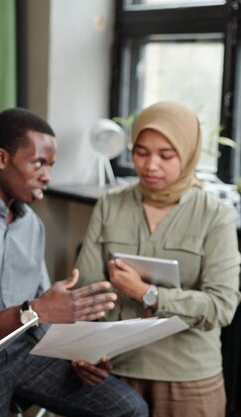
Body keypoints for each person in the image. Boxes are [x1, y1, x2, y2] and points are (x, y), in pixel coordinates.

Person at [0, 107, 149, 417]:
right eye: (38, 163)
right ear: (1, 158)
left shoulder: (32, 225)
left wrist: (79, 354)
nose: (47, 176)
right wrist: (34, 311)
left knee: (130, 409)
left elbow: (45, 311)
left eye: (50, 165)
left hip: (26, 351)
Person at [73, 101, 241, 417]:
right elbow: (85, 290)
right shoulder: (110, 204)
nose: (150, 165)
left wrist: (146, 292)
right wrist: (85, 351)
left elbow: (222, 306)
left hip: (188, 377)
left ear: (189, 154)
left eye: (166, 155)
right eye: (140, 152)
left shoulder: (215, 215)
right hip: (114, 372)